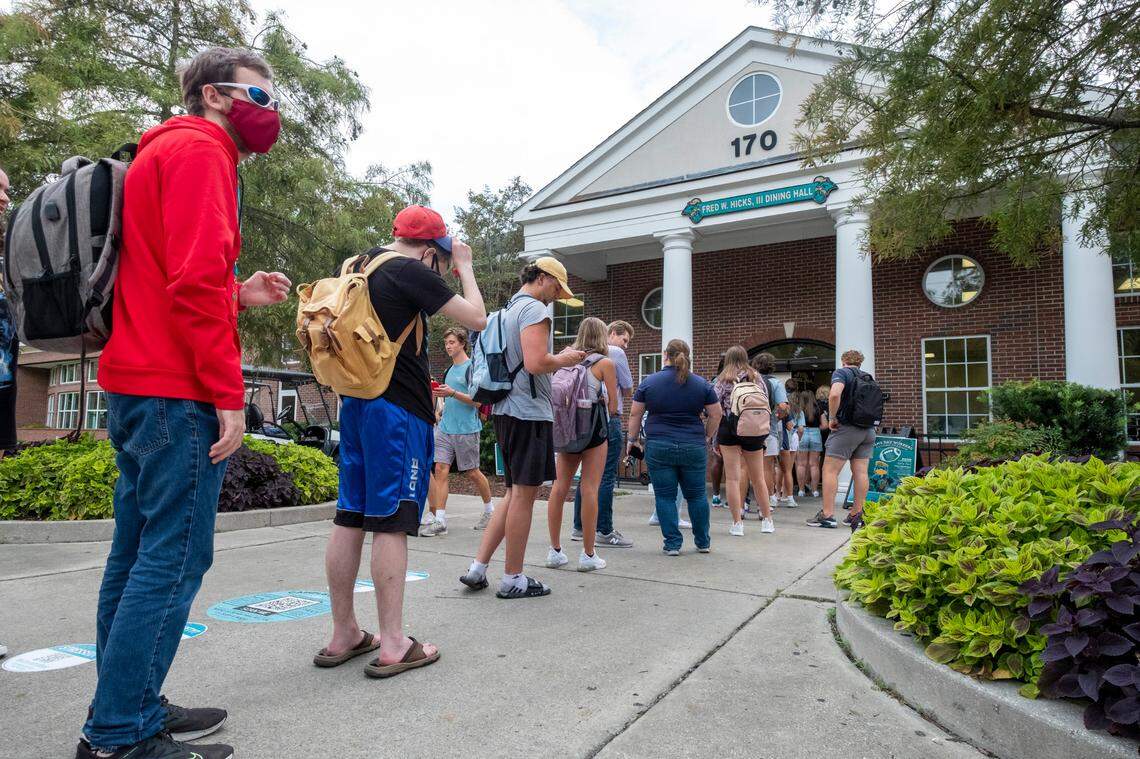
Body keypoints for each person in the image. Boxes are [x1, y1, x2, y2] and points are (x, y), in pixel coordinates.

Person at [79, 48, 291, 759]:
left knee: (135, 555)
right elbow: (195, 283)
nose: (272, 110)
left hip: (137, 380)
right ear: (215, 95)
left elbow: (174, 277)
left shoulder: (159, 153)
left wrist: (242, 291)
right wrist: (229, 395)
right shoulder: (203, 152)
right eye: (261, 94)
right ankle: (117, 735)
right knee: (171, 558)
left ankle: (130, 701)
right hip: (176, 390)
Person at [317, 205, 487, 679]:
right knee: (391, 521)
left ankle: (344, 632)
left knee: (350, 513)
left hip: (354, 400)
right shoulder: (412, 270)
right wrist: (466, 266)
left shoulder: (356, 264)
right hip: (397, 408)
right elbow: (476, 318)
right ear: (432, 251)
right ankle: (393, 643)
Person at [459, 258, 585, 598]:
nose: (557, 296)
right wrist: (565, 358)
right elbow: (536, 362)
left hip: (503, 407)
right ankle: (513, 577)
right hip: (528, 412)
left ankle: (478, 567)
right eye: (556, 287)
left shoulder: (502, 313)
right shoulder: (534, 312)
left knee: (514, 493)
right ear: (542, 278)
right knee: (525, 496)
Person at [627, 339, 720, 555]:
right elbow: (716, 414)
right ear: (688, 356)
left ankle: (672, 544)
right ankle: (703, 542)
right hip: (693, 445)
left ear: (664, 355)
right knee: (696, 495)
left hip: (659, 444)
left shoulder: (650, 382)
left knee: (665, 496)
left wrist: (632, 440)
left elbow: (635, 413)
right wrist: (707, 435)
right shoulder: (702, 384)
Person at [546, 317, 618, 571]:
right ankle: (588, 555)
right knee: (589, 488)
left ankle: (554, 551)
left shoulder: (565, 359)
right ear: (602, 336)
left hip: (566, 428)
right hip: (594, 430)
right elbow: (614, 405)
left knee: (559, 487)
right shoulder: (605, 363)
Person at [420, 327, 494, 537]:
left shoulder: (472, 368)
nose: (448, 346)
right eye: (446, 343)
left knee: (472, 472)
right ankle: (440, 520)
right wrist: (442, 399)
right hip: (445, 428)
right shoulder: (449, 370)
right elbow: (450, 398)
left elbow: (478, 402)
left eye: (452, 342)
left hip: (466, 429)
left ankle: (490, 510)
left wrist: (452, 392)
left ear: (462, 343)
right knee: (441, 469)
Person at [571, 320, 635, 548]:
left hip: (577, 420)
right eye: (625, 339)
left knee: (584, 476)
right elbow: (627, 389)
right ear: (611, 334)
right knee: (606, 476)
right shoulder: (613, 354)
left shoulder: (571, 354)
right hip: (605, 419)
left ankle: (579, 526)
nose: (625, 346)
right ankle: (604, 530)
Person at [808, 350, 876, 529]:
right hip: (868, 430)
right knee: (861, 472)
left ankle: (828, 515)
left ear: (844, 360)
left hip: (846, 429)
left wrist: (831, 418)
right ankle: (856, 515)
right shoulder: (867, 377)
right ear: (860, 362)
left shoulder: (841, 373)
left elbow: (835, 394)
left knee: (830, 470)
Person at [713, 346, 775, 536]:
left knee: (732, 478)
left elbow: (715, 410)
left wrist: (714, 438)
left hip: (728, 428)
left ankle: (737, 523)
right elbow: (766, 402)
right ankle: (767, 521)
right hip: (753, 428)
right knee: (758, 478)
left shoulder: (722, 379)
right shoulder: (757, 377)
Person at [752, 352, 792, 510]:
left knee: (747, 467)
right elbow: (783, 406)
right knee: (767, 468)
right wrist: (780, 416)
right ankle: (767, 501)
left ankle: (746, 502)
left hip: (747, 429)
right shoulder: (775, 382)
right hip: (768, 429)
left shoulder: (750, 379)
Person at [795, 388, 823, 498]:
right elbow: (824, 424)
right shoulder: (818, 409)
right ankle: (815, 490)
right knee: (814, 465)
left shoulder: (798, 409)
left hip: (802, 433)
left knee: (801, 464)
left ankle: (801, 490)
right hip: (815, 432)